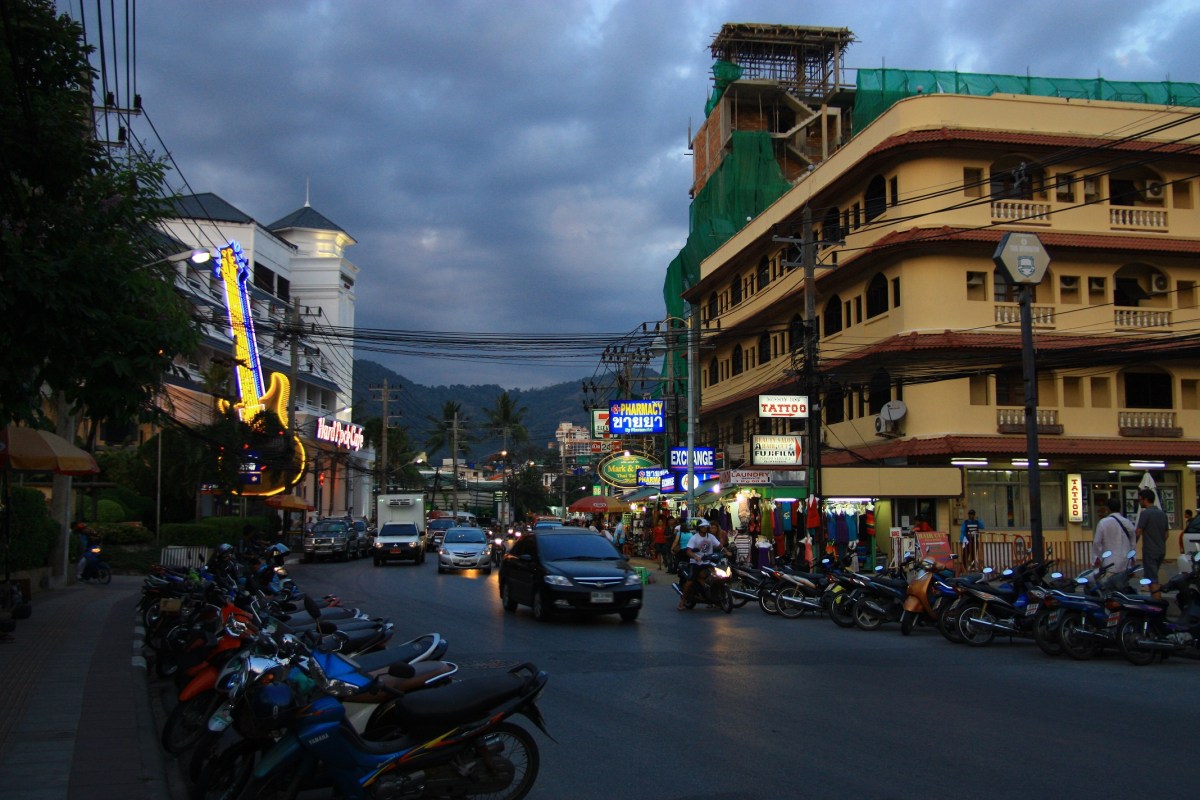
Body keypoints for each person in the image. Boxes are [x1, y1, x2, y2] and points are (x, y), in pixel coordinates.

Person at [678, 520, 729, 610]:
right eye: (702, 526)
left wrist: (726, 551)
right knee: (690, 581)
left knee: (718, 577)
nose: (704, 528)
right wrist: (695, 557)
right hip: (696, 563)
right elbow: (688, 550)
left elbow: (719, 546)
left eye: (705, 526)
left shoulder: (711, 537)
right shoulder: (694, 538)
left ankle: (716, 598)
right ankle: (683, 601)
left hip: (708, 562)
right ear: (699, 528)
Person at [1135, 487, 1169, 596]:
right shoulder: (1162, 514)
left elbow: (1138, 532)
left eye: (1140, 500)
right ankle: (1154, 599)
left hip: (1150, 551)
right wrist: (1159, 542)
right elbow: (1166, 534)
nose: (1139, 502)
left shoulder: (1145, 514)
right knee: (1152, 577)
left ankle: (1157, 603)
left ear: (1145, 500)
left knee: (1152, 579)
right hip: (1161, 550)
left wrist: (1132, 545)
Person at [1092, 495, 1135, 576]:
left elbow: (1097, 542)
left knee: (1107, 583)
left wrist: (1096, 558)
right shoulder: (1128, 522)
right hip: (1125, 563)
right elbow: (1133, 543)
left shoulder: (1103, 523)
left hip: (1109, 563)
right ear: (1120, 508)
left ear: (1108, 508)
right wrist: (1132, 560)